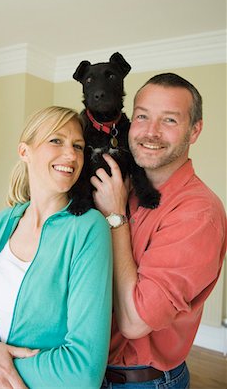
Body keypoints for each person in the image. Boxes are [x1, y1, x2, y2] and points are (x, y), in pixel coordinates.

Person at [0, 106, 113, 389]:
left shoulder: (88, 229)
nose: (71, 155)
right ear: (24, 152)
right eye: (56, 141)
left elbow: (84, 370)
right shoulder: (0, 224)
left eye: (78, 146)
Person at [90, 73, 226, 389]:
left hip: (141, 382)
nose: (150, 132)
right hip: (88, 369)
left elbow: (134, 321)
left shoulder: (199, 214)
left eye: (168, 120)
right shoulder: (121, 185)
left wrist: (115, 218)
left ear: (195, 131)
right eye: (142, 116)